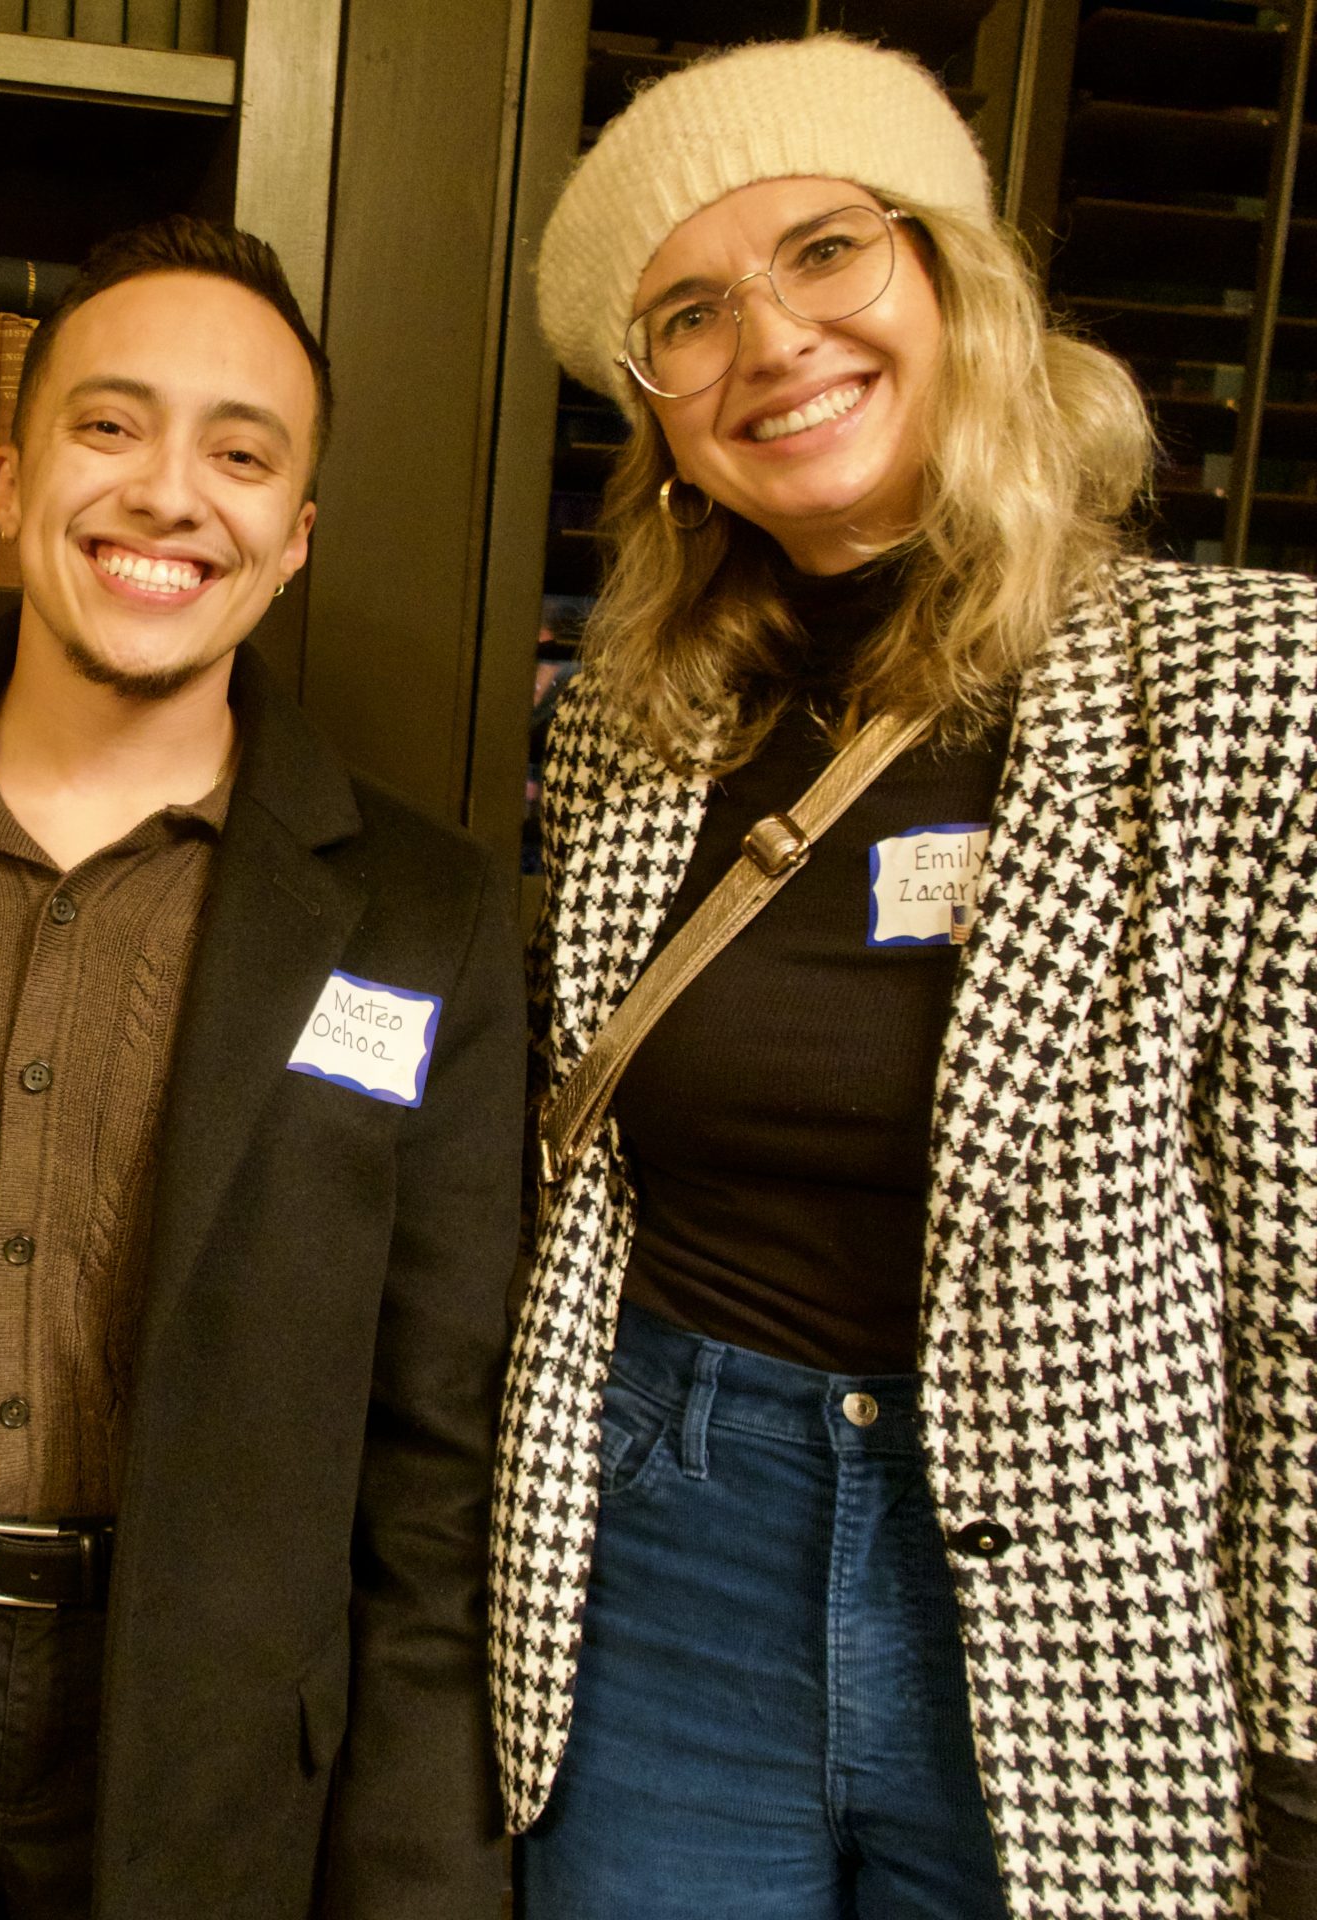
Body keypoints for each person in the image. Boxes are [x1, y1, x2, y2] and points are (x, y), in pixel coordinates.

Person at [504, 33, 1317, 1920]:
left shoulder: (1251, 694)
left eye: (825, 251)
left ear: (955, 277)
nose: (771, 340)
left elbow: (1303, 1299)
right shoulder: (630, 732)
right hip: (665, 1566)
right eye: (685, 313)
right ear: (657, 410)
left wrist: (1299, 1775)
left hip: (1081, 1628)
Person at [0, 215, 523, 1919]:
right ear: (10, 482)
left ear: (293, 539)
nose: (170, 494)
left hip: (205, 1739)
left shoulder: (423, 916)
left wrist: (422, 1881)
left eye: (241, 456)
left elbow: (435, 1466)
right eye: (112, 427)